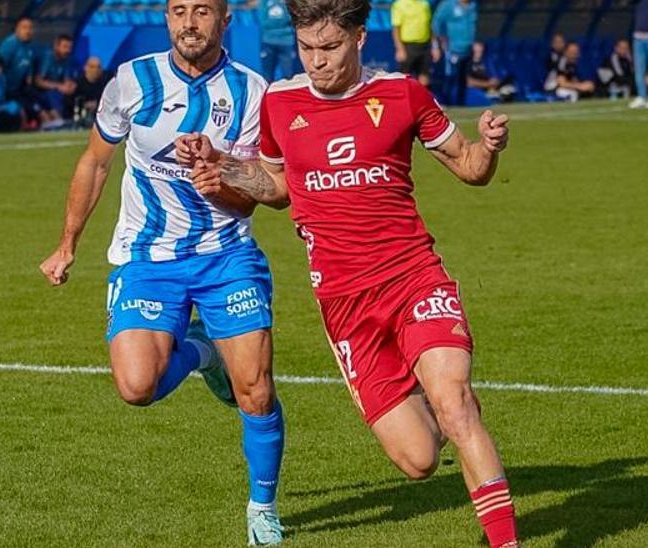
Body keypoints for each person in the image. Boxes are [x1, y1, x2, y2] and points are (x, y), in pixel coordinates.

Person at [182, 0, 517, 544]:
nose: (317, 61)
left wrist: (490, 147)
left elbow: (471, 168)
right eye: (307, 49)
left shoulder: (402, 94)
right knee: (419, 459)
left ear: (360, 39)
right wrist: (223, 168)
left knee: (455, 403)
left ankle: (506, 537)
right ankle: (438, 398)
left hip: (413, 278)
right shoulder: (280, 102)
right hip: (345, 306)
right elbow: (278, 188)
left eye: (330, 48)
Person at [36, 0, 286, 543]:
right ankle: (199, 350)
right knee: (136, 387)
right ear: (168, 19)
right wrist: (67, 245)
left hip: (226, 254)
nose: (189, 23)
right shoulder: (131, 80)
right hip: (147, 256)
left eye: (202, 11)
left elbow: (264, 196)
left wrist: (219, 173)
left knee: (256, 391)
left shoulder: (252, 93)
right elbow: (96, 162)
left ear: (225, 21)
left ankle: (262, 507)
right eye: (178, 11)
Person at [433, 0, 477, 105]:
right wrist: (441, 40)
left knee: (463, 78)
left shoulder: (473, 5)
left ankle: (460, 104)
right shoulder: (448, 5)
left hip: (468, 48)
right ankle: (445, 103)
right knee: (450, 77)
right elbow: (436, 23)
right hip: (451, 48)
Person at [34, 35, 77, 130]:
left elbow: (66, 79)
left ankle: (68, 120)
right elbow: (38, 81)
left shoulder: (66, 59)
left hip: (55, 92)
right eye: (65, 47)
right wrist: (59, 86)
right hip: (39, 92)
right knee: (50, 95)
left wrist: (70, 85)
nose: (68, 50)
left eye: (69, 47)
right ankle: (57, 121)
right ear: (56, 46)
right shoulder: (48, 57)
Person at [390, 0, 433, 87]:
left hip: (425, 46)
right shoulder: (399, 4)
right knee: (404, 79)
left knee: (424, 79)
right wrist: (400, 49)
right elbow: (396, 29)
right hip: (407, 46)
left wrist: (434, 46)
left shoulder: (425, 4)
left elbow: (430, 26)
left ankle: (422, 100)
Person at [257, 0, 298, 81]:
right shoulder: (264, 2)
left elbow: (292, 19)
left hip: (287, 42)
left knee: (289, 76)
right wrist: (282, 24)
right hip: (268, 42)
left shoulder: (288, 2)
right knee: (267, 76)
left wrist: (277, 22)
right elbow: (263, 22)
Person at [72, 56, 110, 127]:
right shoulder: (78, 84)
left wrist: (97, 104)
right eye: (92, 67)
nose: (96, 70)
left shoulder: (106, 82)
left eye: (98, 67)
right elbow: (73, 102)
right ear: (85, 68)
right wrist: (85, 105)